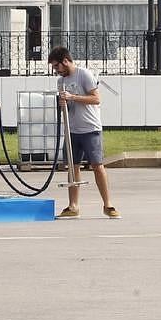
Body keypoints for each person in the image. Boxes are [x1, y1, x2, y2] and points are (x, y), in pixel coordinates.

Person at [49, 46, 119, 219]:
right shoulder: (61, 82)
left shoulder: (84, 75)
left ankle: (108, 204)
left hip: (90, 128)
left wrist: (73, 97)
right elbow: (66, 105)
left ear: (66, 61)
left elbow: (96, 99)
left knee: (97, 165)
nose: (56, 71)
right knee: (73, 167)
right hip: (72, 129)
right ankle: (73, 206)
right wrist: (62, 103)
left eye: (57, 66)